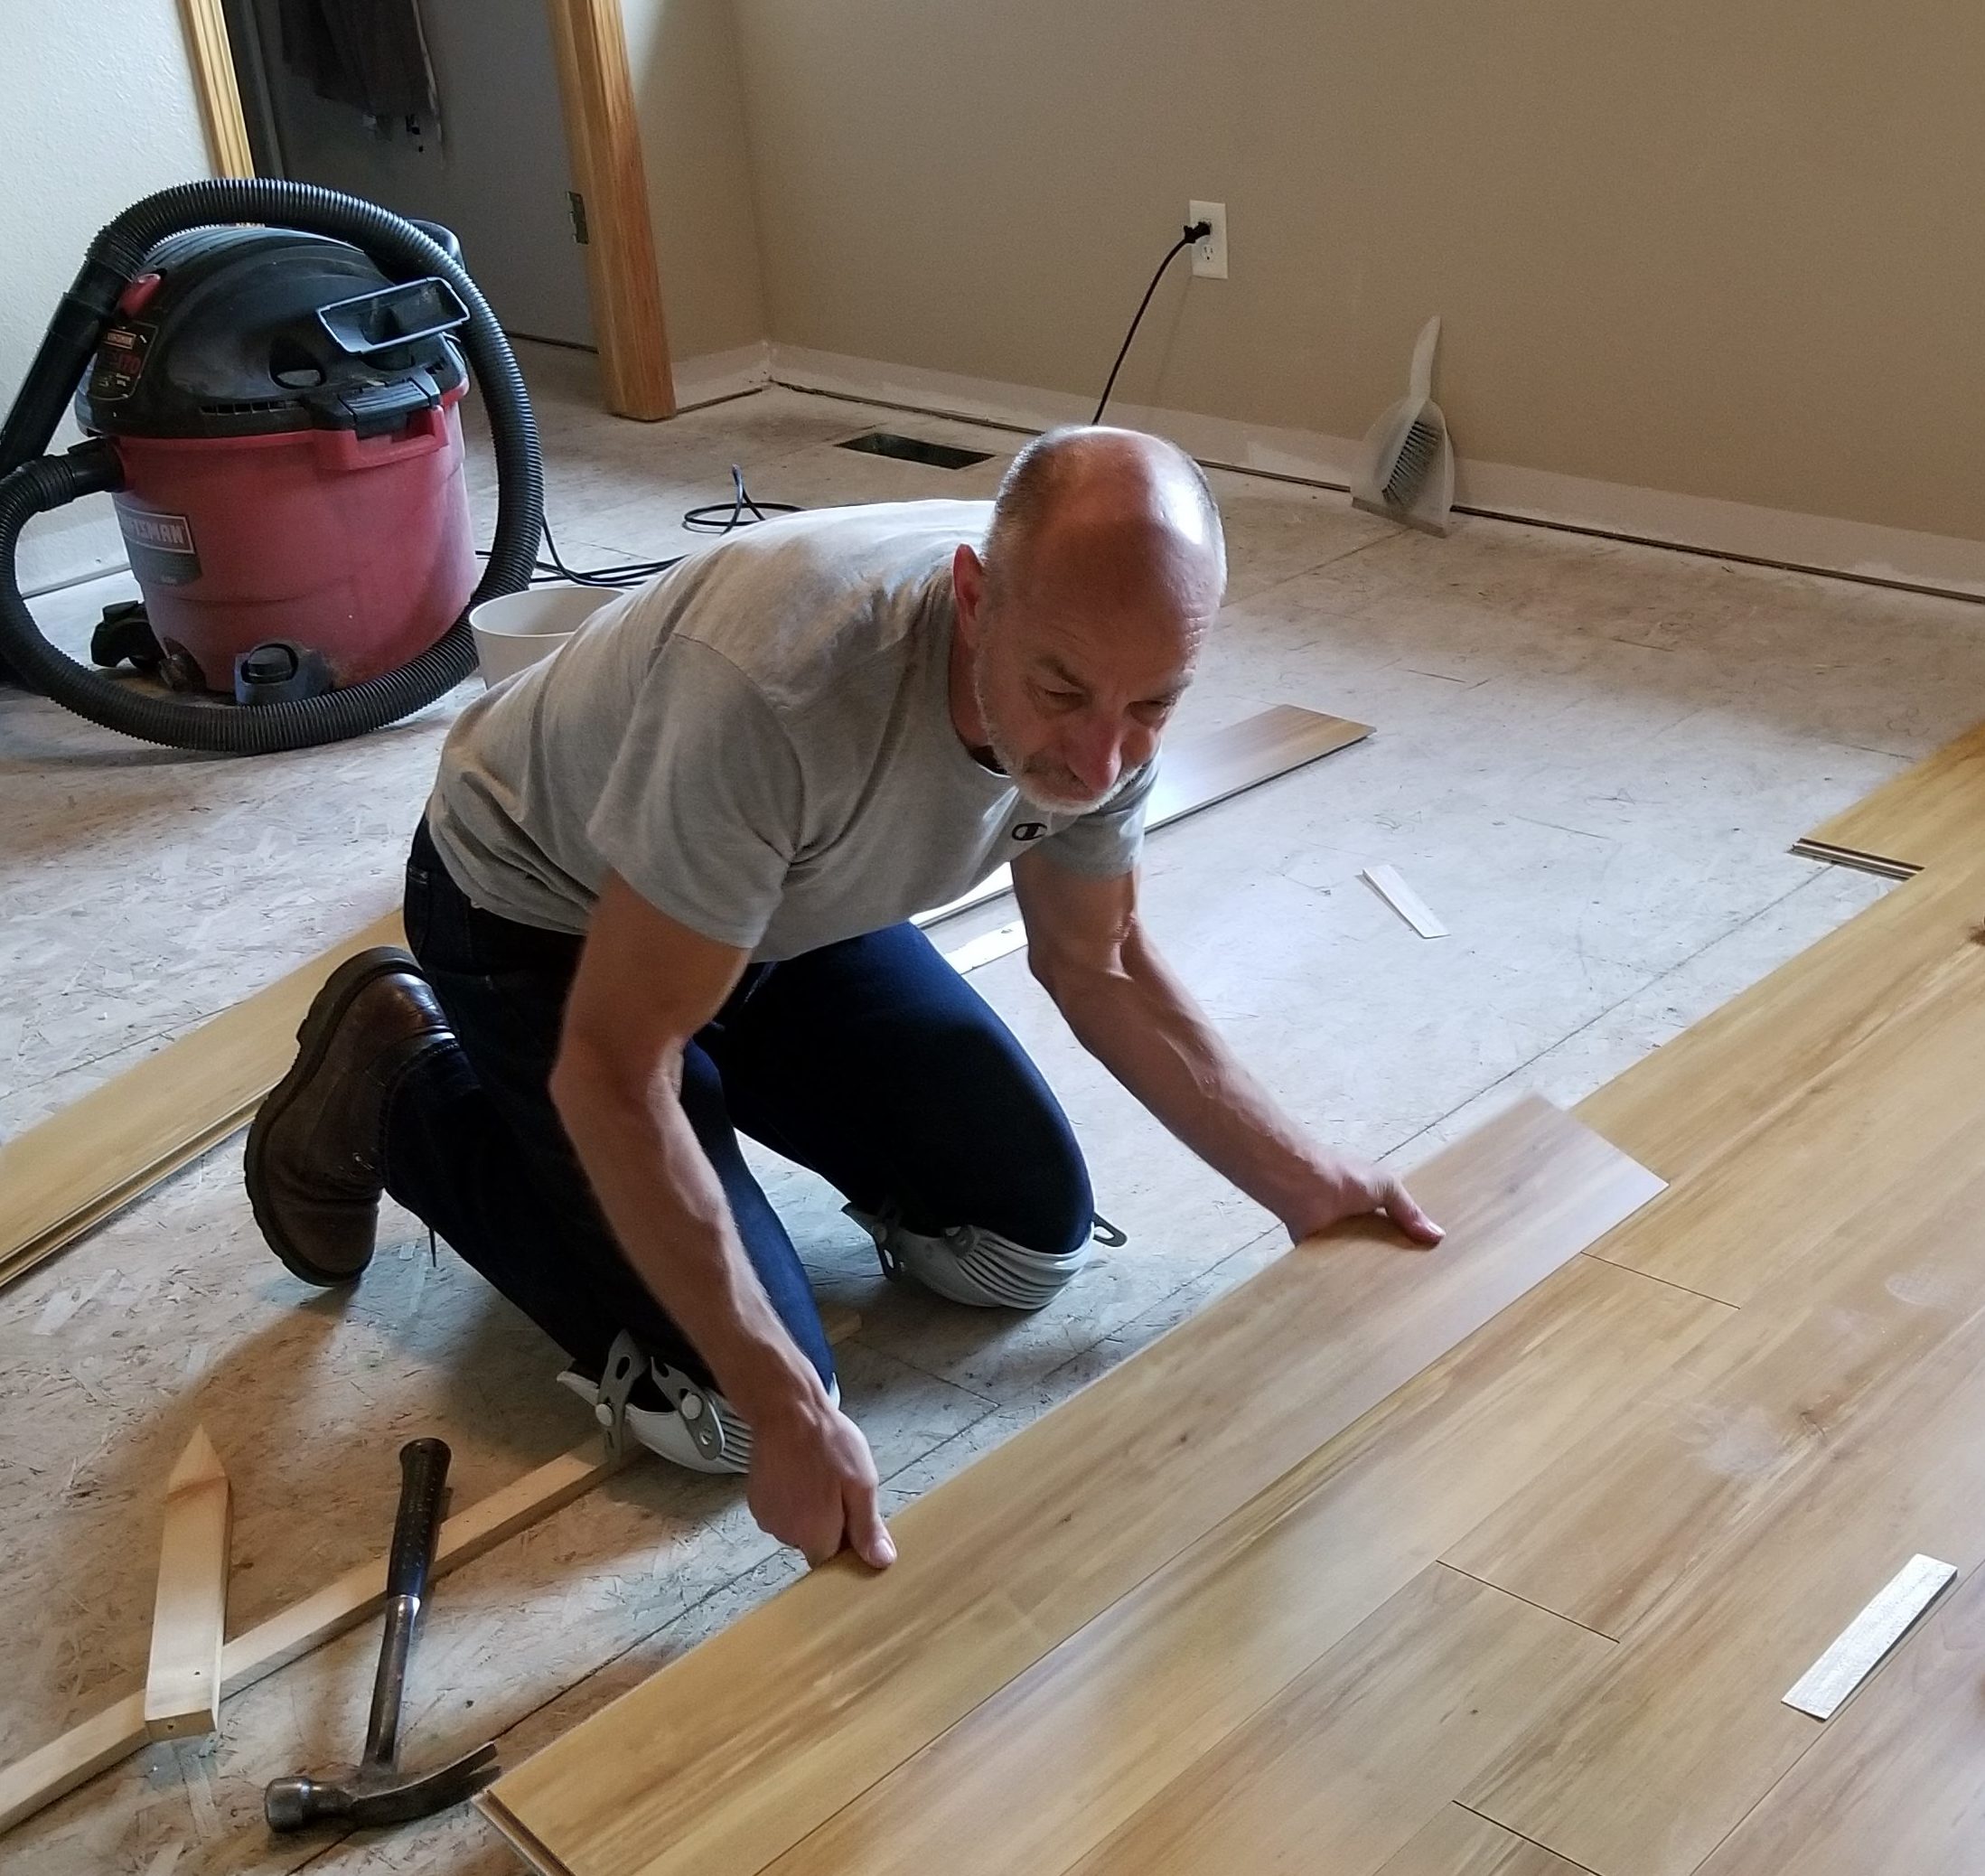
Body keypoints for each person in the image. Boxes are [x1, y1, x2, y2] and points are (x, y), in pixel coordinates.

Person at [245, 426, 1441, 1572]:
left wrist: (1306, 1181)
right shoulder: (780, 687)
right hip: (547, 912)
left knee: (1022, 1249)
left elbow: (1099, 958)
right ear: (976, 596)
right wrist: (780, 1401)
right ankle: (398, 1078)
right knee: (717, 1412)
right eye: (1062, 693)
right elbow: (614, 1070)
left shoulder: (1106, 648)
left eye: (1152, 707)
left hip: (789, 906)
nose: (1099, 763)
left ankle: (721, 1090)